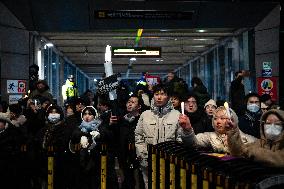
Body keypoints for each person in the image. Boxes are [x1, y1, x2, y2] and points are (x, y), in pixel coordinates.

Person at [135, 84, 191, 188]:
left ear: (168, 96)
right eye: (156, 94)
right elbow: (138, 136)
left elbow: (179, 139)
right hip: (148, 160)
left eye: (162, 94)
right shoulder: (145, 115)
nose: (159, 97)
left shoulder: (176, 115)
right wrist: (142, 154)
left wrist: (175, 156)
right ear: (153, 96)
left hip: (170, 162)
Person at [179, 106, 256, 153]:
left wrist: (232, 142)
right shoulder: (211, 136)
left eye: (222, 118)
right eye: (215, 118)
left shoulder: (246, 138)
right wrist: (188, 130)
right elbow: (193, 143)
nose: (218, 122)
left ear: (232, 120)